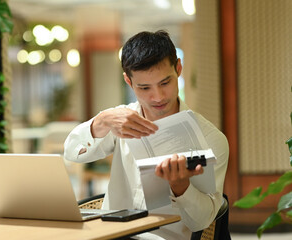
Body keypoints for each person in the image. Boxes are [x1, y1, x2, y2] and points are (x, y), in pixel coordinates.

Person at [63, 30, 229, 239]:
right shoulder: (121, 121)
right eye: (144, 88)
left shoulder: (211, 139)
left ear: (178, 68)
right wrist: (102, 121)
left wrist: (181, 187)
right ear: (129, 81)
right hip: (112, 233)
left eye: (165, 83)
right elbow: (71, 152)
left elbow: (203, 222)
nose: (157, 96)